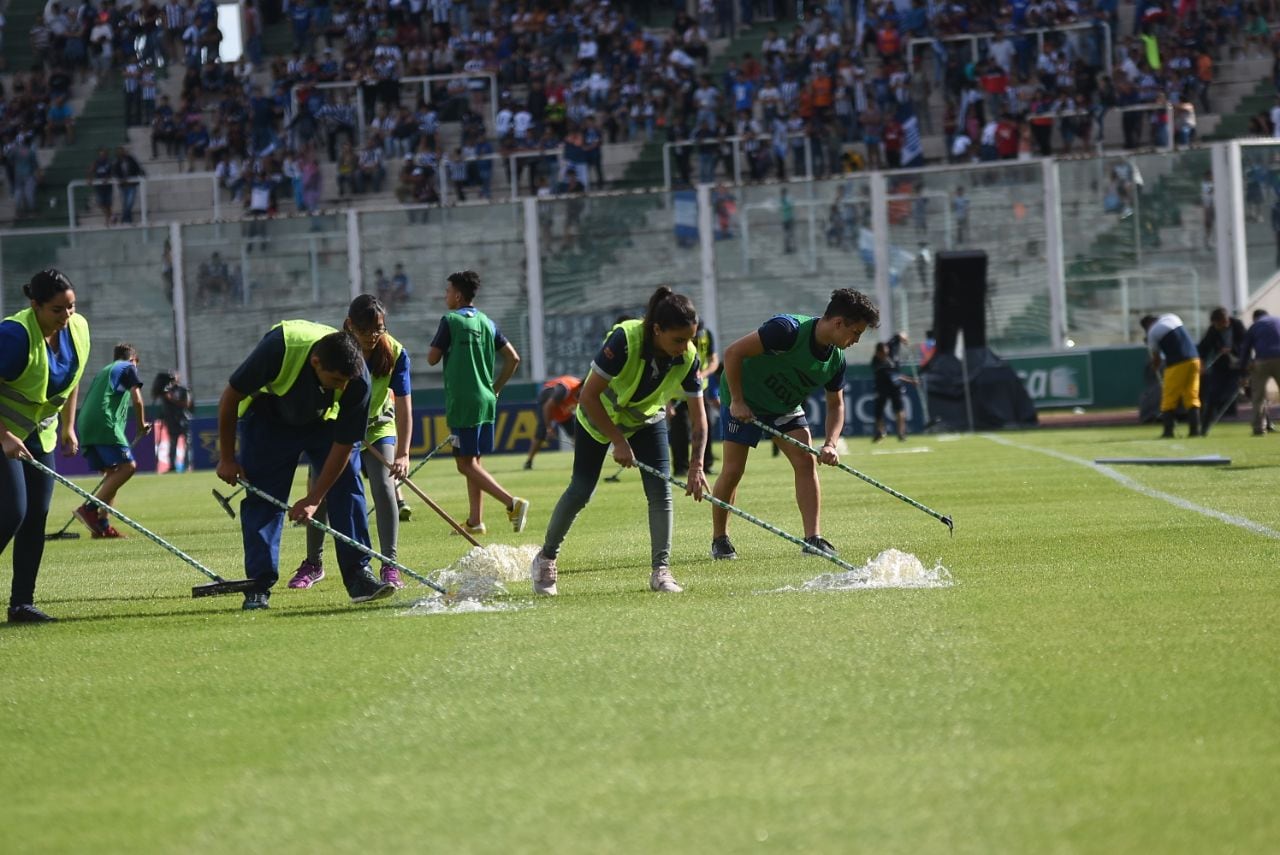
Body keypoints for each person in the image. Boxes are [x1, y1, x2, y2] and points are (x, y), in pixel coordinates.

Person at [530, 287, 708, 596]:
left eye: (689, 339)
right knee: (581, 491)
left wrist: (696, 466)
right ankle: (545, 558)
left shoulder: (688, 357)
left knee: (660, 493)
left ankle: (660, 570)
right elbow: (587, 395)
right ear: (657, 330)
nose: (685, 346)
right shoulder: (625, 340)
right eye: (678, 339)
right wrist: (618, 442)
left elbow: (699, 416)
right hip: (598, 420)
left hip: (645, 421)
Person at [215, 321, 395, 610]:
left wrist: (314, 498)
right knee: (263, 501)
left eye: (345, 381)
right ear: (315, 362)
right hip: (268, 418)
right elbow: (229, 398)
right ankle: (258, 587)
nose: (342, 386)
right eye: (336, 380)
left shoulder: (357, 378)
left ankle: (359, 575)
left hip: (322, 422)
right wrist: (227, 458)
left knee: (348, 485)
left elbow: (345, 444)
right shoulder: (278, 348)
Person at [710, 289, 880, 561]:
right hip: (744, 400)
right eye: (856, 332)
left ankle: (812, 539)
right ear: (838, 323)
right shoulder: (786, 330)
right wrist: (738, 401)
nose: (856, 340)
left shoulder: (836, 360)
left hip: (784, 406)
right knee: (733, 470)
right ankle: (720, 539)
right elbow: (732, 354)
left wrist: (831, 444)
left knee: (805, 461)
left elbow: (836, 405)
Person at [289, 295, 414, 590]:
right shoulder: (335, 348)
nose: (372, 336)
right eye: (365, 330)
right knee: (320, 486)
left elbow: (406, 404)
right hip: (339, 427)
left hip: (377, 425)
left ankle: (390, 564)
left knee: (384, 487)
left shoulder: (395, 352)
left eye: (378, 329)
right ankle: (313, 563)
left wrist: (404, 453)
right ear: (349, 326)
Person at [0, 270, 89, 622]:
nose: (67, 316)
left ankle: (21, 603)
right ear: (34, 305)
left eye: (71, 307)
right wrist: (4, 435)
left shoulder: (77, 328)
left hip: (41, 436)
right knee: (13, 513)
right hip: (5, 434)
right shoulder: (13, 336)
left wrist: (68, 426)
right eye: (57, 310)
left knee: (36, 516)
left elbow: (74, 376)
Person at [426, 271, 529, 536]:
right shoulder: (487, 322)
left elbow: (432, 359)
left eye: (447, 291)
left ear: (458, 295)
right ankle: (475, 521)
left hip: (464, 402)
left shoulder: (450, 320)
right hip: (486, 399)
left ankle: (512, 504)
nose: (445, 296)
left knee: (464, 463)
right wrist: (496, 389)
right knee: (474, 461)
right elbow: (513, 358)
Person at [73, 344, 151, 538]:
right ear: (134, 360)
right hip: (103, 422)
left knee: (113, 474)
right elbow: (138, 400)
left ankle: (102, 525)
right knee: (128, 467)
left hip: (85, 423)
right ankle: (89, 509)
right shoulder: (127, 367)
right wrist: (141, 426)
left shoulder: (106, 371)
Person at [1140, 313, 1202, 439]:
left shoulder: (1152, 332)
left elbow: (1156, 358)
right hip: (1194, 359)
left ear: (1147, 326)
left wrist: (1154, 365)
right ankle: (1195, 431)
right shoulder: (1172, 317)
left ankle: (1168, 431)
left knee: (1169, 398)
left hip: (1177, 363)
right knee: (1192, 396)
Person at [669, 321, 720, 475]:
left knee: (706, 426)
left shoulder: (706, 335)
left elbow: (714, 360)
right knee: (680, 431)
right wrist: (665, 400)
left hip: (698, 390)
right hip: (675, 393)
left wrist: (702, 375)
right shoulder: (675, 340)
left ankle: (706, 465)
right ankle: (681, 468)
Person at [1197, 307, 1245, 435]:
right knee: (1213, 395)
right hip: (1222, 367)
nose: (1217, 326)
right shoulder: (1213, 330)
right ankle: (1204, 428)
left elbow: (1245, 343)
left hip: (1240, 365)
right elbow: (1203, 348)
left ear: (1225, 320)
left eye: (1219, 323)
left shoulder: (1237, 325)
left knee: (1254, 393)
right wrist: (1201, 365)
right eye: (1215, 324)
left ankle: (1265, 424)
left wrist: (1232, 349)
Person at [524, 374, 581, 470]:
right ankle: (529, 461)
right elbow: (547, 406)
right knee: (541, 432)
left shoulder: (587, 393)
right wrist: (549, 428)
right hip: (547, 402)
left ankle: (581, 461)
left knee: (577, 435)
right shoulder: (566, 389)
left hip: (564, 409)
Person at [872, 334, 917, 442]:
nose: (885, 355)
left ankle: (901, 433)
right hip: (882, 386)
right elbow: (895, 375)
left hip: (895, 387)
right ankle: (880, 431)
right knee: (879, 410)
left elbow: (898, 335)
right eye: (883, 354)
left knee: (899, 409)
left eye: (886, 352)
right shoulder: (876, 363)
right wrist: (911, 380)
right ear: (878, 354)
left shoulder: (892, 346)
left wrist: (904, 339)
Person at [1242, 309, 1280, 437]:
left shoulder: (1255, 326)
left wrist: (1243, 371)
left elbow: (1245, 349)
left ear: (1255, 318)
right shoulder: (1278, 321)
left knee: (1258, 396)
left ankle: (1259, 428)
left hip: (1261, 360)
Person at [151, 370, 193, 472]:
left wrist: (172, 399)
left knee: (187, 442)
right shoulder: (165, 391)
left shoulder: (183, 390)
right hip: (171, 420)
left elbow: (187, 404)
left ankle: (187, 466)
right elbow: (155, 395)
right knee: (173, 443)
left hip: (183, 419)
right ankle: (172, 467)